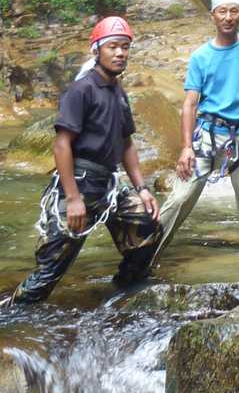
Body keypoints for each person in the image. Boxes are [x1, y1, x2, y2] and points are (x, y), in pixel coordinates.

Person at [6, 17, 162, 303]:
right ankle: (15, 313)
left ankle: (125, 291)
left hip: (108, 185)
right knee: (49, 272)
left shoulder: (118, 92)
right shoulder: (82, 90)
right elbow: (61, 145)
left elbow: (126, 144)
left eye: (125, 47)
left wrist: (142, 189)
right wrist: (73, 198)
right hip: (78, 183)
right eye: (113, 46)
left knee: (147, 222)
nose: (120, 53)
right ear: (96, 50)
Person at [152, 0, 239, 266]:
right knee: (180, 197)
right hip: (208, 134)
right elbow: (190, 103)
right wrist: (186, 147)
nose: (228, 17)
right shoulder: (201, 56)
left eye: (234, 11)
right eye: (222, 11)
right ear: (213, 15)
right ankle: (144, 256)